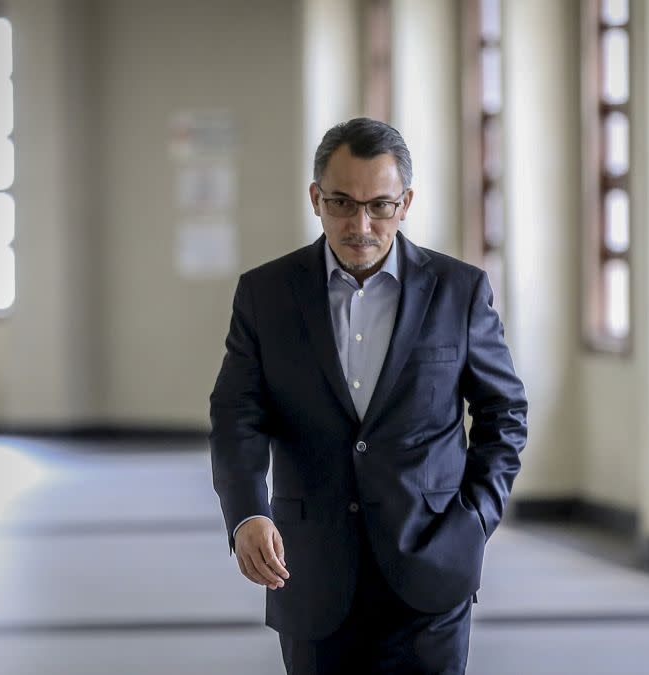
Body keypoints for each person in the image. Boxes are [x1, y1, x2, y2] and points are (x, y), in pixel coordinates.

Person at [209, 117, 528, 674]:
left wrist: (474, 519)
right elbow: (237, 415)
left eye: (380, 205)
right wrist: (246, 516)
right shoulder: (266, 294)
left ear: (405, 203)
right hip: (309, 574)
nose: (361, 224)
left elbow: (504, 414)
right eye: (342, 203)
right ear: (315, 198)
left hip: (432, 571)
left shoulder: (460, 291)